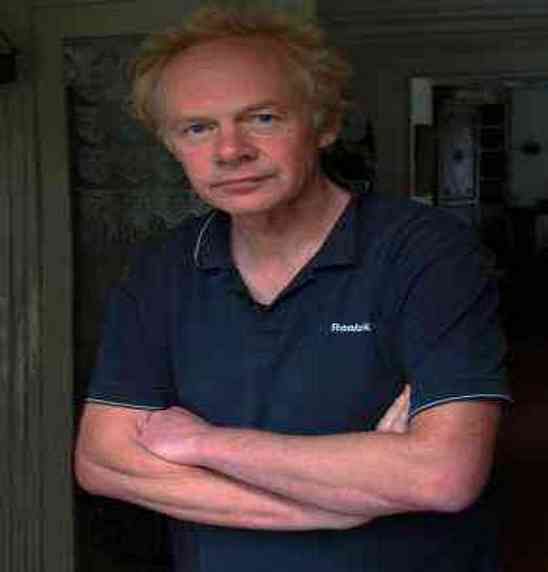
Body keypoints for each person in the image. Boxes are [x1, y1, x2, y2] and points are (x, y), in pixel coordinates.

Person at [74, 5, 511, 571]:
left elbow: (442, 475)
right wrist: (342, 506)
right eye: (198, 128)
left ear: (324, 124)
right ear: (171, 144)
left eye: (262, 118)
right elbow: (102, 462)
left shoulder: (425, 251)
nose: (230, 151)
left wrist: (203, 444)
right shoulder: (164, 267)